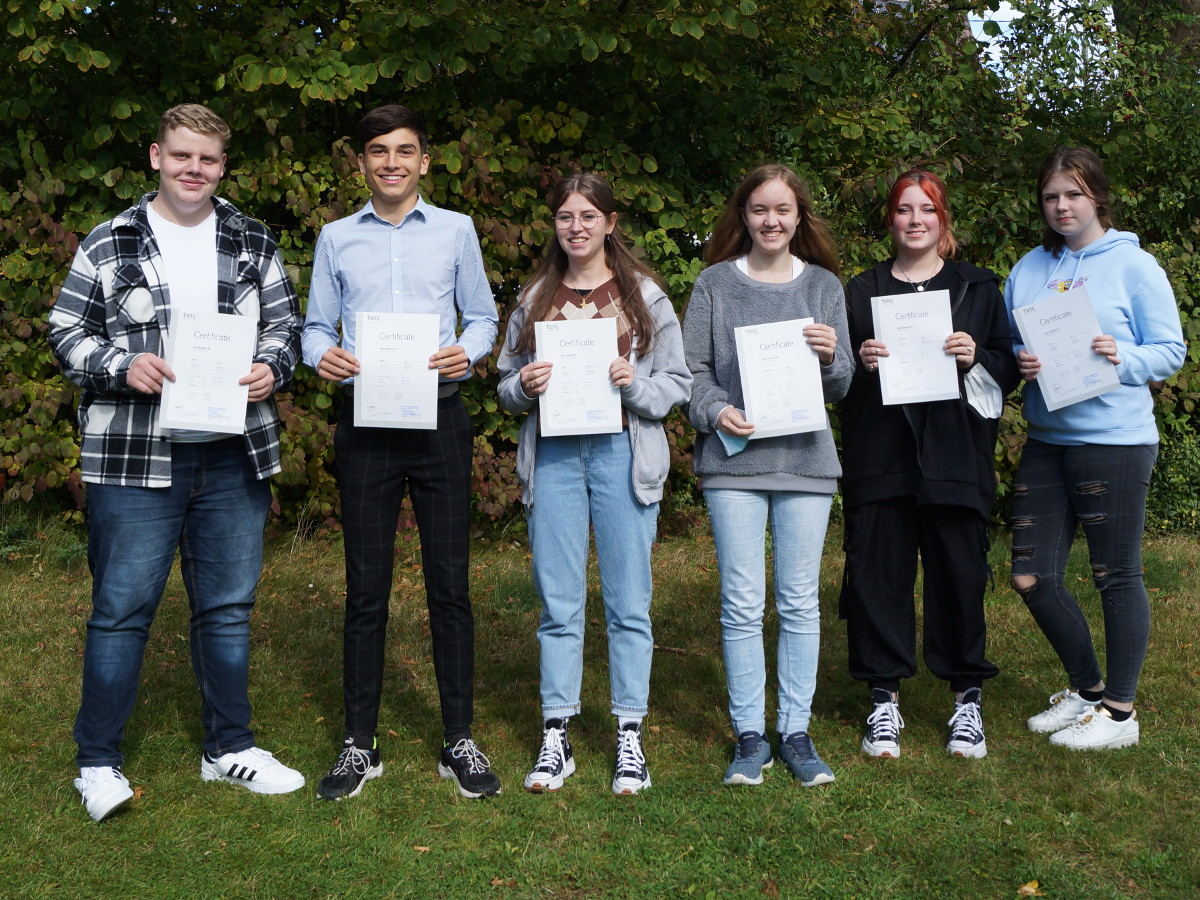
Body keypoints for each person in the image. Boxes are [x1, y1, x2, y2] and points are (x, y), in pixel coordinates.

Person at [48, 104, 306, 823]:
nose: (195, 170)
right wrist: (118, 364)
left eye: (210, 160)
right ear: (156, 157)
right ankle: (97, 763)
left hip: (232, 454)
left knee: (226, 610)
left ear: (223, 166)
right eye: (182, 156)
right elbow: (65, 329)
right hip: (134, 459)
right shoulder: (111, 240)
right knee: (122, 611)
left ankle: (228, 748)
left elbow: (286, 325)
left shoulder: (251, 237)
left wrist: (271, 368)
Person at [302, 104, 501, 799]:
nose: (391, 162)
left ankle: (458, 739)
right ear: (361, 162)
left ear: (425, 160)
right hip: (365, 425)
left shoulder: (456, 231)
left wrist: (466, 353)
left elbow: (482, 317)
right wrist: (320, 355)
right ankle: (361, 743)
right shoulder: (335, 238)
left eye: (404, 150)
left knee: (451, 587)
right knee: (365, 590)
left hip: (439, 421)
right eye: (378, 151)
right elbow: (315, 325)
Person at [497, 174, 691, 795]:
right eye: (563, 217)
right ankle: (557, 733)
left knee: (629, 601)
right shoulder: (533, 297)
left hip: (621, 455)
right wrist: (523, 388)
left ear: (610, 223)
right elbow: (504, 385)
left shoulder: (646, 298)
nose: (575, 227)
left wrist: (633, 385)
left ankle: (629, 732)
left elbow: (677, 387)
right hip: (553, 458)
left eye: (587, 216)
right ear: (553, 225)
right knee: (559, 602)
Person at [1006, 146, 1184, 750]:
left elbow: (1169, 350)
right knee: (1031, 576)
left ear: (1097, 198)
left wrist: (1122, 356)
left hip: (1115, 440)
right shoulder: (1029, 267)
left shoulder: (1135, 267)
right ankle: (1086, 691)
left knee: (1115, 573)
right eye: (1052, 196)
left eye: (1073, 194)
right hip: (1048, 438)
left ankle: (1118, 715)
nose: (1061, 206)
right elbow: (1011, 345)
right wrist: (1020, 361)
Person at [839, 170, 1020, 760]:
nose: (915, 220)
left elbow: (1010, 368)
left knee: (959, 577)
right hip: (882, 456)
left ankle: (967, 698)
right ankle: (883, 701)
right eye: (904, 210)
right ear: (890, 220)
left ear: (943, 221)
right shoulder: (860, 291)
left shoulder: (977, 289)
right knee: (877, 576)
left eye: (927, 210)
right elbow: (834, 379)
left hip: (954, 456)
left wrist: (978, 356)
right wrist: (861, 363)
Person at [682, 164, 851, 787]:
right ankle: (751, 735)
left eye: (782, 210)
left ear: (799, 216)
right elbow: (691, 371)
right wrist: (715, 408)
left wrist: (832, 358)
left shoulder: (825, 287)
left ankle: (797, 731)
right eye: (759, 210)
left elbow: (841, 386)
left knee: (800, 601)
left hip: (806, 460)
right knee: (742, 603)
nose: (771, 220)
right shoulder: (714, 284)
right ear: (743, 216)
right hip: (733, 461)